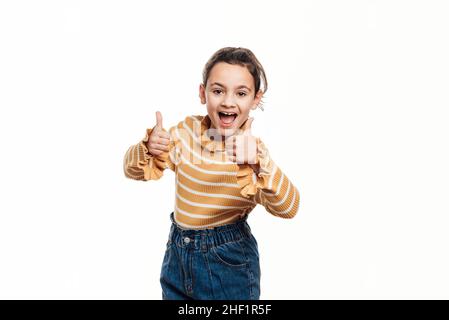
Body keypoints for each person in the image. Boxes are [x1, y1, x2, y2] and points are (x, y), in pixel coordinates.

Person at [123, 47, 300, 300]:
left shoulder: (251, 151)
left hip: (227, 262)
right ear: (202, 93)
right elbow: (132, 171)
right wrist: (148, 148)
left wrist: (259, 164)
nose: (228, 101)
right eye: (218, 91)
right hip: (177, 257)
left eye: (241, 93)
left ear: (255, 99)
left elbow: (290, 208)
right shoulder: (186, 133)